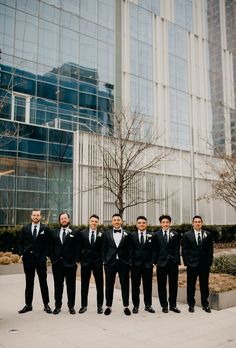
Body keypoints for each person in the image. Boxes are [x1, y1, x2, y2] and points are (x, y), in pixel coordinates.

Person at [18, 209, 52, 314]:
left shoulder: (45, 228)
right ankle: (28, 305)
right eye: (34, 215)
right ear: (31, 216)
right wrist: (22, 254)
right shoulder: (25, 228)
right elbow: (20, 242)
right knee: (29, 282)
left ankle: (46, 305)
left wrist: (46, 256)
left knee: (43, 282)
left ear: (40, 217)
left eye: (38, 215)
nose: (36, 217)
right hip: (28, 259)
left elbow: (48, 244)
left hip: (40, 259)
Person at [50, 212, 80, 315]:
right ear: (59, 220)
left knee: (71, 286)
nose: (63, 220)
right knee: (58, 286)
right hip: (57, 264)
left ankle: (71, 306)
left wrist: (75, 260)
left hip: (70, 265)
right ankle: (57, 306)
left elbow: (78, 248)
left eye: (65, 218)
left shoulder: (75, 232)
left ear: (69, 219)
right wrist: (53, 259)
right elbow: (51, 248)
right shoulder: (54, 232)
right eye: (62, 218)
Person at [182, 215, 213, 313]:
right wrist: (187, 263)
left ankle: (205, 304)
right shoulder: (187, 235)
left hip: (204, 265)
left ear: (202, 223)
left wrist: (209, 262)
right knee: (191, 285)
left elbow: (210, 250)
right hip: (192, 265)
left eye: (199, 221)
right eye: (195, 221)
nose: (197, 223)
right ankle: (191, 305)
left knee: (204, 285)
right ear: (193, 223)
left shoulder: (208, 234)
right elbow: (184, 250)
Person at [102, 213, 132, 316]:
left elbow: (130, 249)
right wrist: (105, 261)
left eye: (118, 220)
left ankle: (126, 306)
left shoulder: (128, 233)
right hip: (110, 263)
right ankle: (108, 306)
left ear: (121, 221)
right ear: (112, 222)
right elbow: (104, 248)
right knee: (109, 285)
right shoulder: (106, 234)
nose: (116, 222)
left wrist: (129, 261)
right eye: (114, 220)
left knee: (125, 285)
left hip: (124, 263)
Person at [153, 214, 181, 313]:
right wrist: (155, 262)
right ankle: (164, 305)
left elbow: (177, 249)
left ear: (170, 223)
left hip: (173, 264)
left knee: (173, 285)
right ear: (160, 223)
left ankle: (173, 305)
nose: (165, 224)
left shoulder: (175, 234)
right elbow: (155, 249)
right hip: (161, 264)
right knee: (161, 286)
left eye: (167, 222)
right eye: (163, 222)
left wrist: (177, 261)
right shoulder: (156, 235)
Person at [79, 214, 104, 314]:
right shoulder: (82, 233)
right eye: (92, 221)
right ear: (89, 222)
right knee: (84, 285)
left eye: (95, 221)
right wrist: (81, 260)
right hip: (85, 263)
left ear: (98, 223)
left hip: (97, 263)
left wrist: (102, 260)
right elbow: (79, 248)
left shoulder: (102, 234)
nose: (94, 223)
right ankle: (84, 306)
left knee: (99, 285)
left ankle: (100, 306)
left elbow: (103, 248)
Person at [130, 216, 155, 314]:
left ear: (146, 224)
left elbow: (154, 250)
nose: (141, 224)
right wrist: (131, 262)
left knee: (148, 286)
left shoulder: (152, 235)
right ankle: (135, 306)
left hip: (147, 265)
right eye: (139, 222)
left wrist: (151, 262)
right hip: (135, 265)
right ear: (136, 224)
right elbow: (130, 249)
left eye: (143, 222)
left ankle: (148, 305)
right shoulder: (131, 235)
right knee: (135, 287)